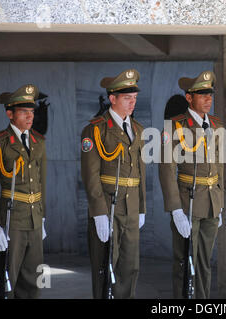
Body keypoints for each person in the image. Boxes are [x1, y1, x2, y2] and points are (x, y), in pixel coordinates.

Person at [80, 69, 146, 299]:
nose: (132, 103)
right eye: (127, 98)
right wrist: (98, 212)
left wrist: (141, 208)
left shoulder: (137, 129)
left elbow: (140, 173)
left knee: (130, 267)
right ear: (112, 98)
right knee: (104, 268)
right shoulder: (95, 129)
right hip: (108, 206)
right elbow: (90, 175)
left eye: (134, 98)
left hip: (130, 208)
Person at [159, 70, 224, 299]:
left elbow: (220, 164)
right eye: (202, 94)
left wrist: (220, 200)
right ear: (189, 98)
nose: (208, 99)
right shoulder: (175, 126)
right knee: (185, 262)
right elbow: (167, 170)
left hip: (211, 203)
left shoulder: (216, 125)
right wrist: (175, 209)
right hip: (188, 202)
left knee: (204, 262)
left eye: (210, 94)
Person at [0, 84, 47, 298]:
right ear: (10, 114)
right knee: (6, 279)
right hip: (11, 219)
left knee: (35, 278)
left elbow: (42, 182)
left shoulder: (39, 141)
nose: (30, 117)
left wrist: (43, 216)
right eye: (24, 112)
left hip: (34, 218)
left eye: (31, 112)